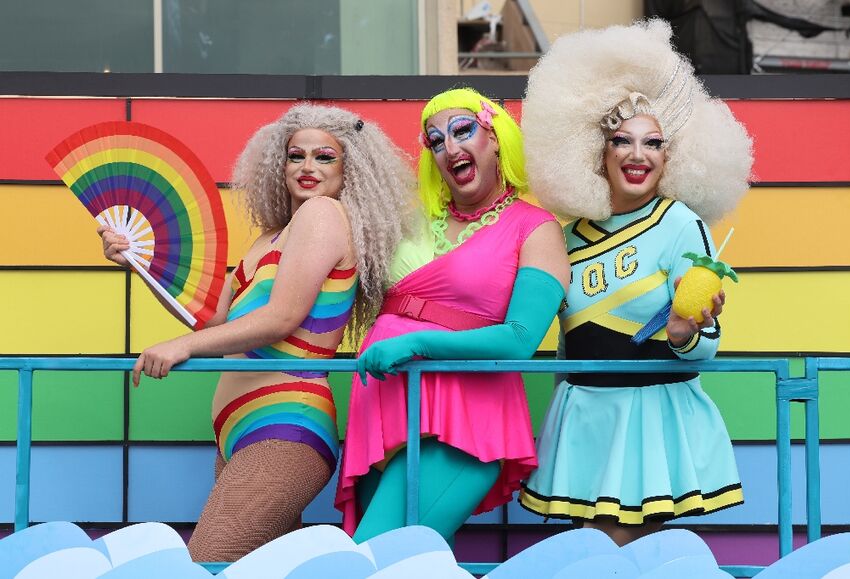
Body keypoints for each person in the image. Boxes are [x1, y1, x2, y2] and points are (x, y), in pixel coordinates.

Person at [98, 104, 416, 561]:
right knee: (262, 570)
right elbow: (215, 324)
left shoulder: (323, 214)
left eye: (324, 157)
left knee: (209, 562)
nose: (307, 167)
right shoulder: (269, 238)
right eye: (296, 155)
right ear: (278, 163)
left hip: (284, 425)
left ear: (351, 168)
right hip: (238, 431)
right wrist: (140, 264)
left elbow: (280, 318)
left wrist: (180, 347)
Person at [518, 20, 753, 546]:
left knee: (611, 554)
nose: (637, 154)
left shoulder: (679, 223)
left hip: (651, 419)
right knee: (599, 554)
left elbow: (706, 346)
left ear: (672, 157)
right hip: (585, 417)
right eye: (620, 141)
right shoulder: (563, 236)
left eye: (653, 143)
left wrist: (682, 333)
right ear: (594, 153)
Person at [335, 88, 570, 544]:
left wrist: (418, 344)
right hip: (384, 405)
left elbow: (520, 339)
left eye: (463, 131)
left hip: (465, 418)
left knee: (373, 557)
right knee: (396, 565)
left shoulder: (535, 227)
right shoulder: (411, 219)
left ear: (496, 138)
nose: (450, 148)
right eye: (436, 141)